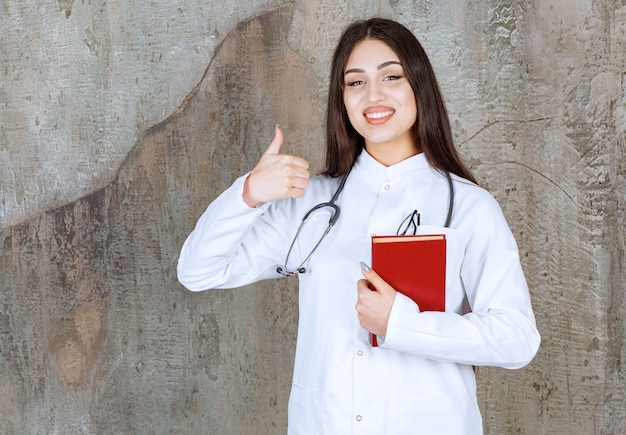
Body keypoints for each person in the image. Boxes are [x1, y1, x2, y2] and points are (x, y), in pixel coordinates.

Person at [178, 17, 540, 434]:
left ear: (419, 87)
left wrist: (400, 325)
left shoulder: (469, 207)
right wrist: (249, 195)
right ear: (342, 100)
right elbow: (197, 271)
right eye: (355, 82)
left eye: (391, 76)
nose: (374, 95)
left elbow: (517, 339)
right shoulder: (311, 204)